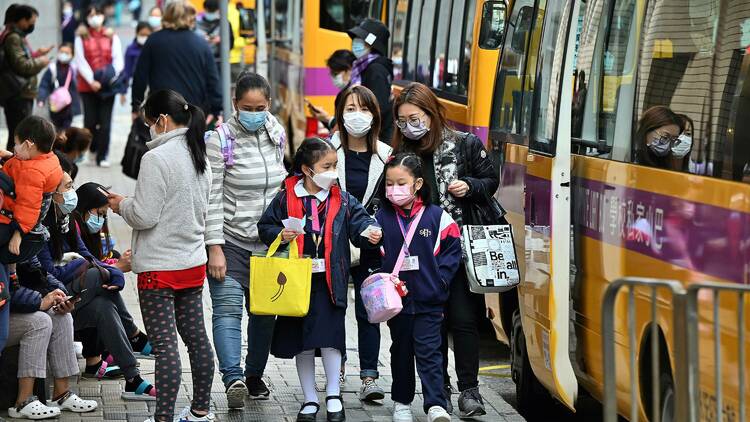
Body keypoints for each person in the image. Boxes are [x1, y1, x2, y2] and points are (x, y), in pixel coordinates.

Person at [108, 89, 215, 422]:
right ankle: (200, 410)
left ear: (163, 121)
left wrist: (120, 204)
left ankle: (164, 417)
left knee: (166, 346)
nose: (148, 129)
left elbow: (144, 215)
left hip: (159, 269)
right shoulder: (199, 151)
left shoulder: (156, 159)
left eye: (149, 122)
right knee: (197, 340)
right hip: (192, 264)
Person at [392, 82, 499, 417]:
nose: (410, 126)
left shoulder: (464, 145)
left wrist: (469, 186)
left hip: (461, 251)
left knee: (465, 321)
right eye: (403, 121)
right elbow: (385, 198)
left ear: (432, 113)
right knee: (431, 325)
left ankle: (470, 391)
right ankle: (439, 390)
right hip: (420, 259)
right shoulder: (400, 158)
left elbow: (490, 180)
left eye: (415, 118)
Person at [257, 137, 382, 422]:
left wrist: (370, 233)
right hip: (295, 281)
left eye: (335, 165)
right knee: (303, 341)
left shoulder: (342, 199)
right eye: (327, 166)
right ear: (307, 169)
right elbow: (265, 226)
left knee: (331, 338)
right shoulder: (287, 197)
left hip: (330, 280)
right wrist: (280, 234)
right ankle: (310, 398)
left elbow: (360, 223)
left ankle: (334, 394)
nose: (333, 172)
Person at [205, 72, 287, 408]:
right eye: (247, 107)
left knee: (265, 313)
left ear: (269, 105)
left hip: (270, 244)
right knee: (227, 312)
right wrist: (214, 248)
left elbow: (283, 186)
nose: (255, 113)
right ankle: (232, 377)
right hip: (231, 242)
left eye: (261, 107)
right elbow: (210, 196)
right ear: (235, 104)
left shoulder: (276, 131)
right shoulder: (220, 139)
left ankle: (253, 376)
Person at [372, 153, 461, 422]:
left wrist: (440, 282)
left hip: (429, 300)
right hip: (396, 303)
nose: (394, 189)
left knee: (431, 352)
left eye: (401, 183)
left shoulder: (438, 217)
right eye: (389, 183)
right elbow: (372, 254)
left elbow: (451, 252)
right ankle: (401, 402)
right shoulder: (380, 217)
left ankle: (435, 404)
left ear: (418, 183)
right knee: (400, 350)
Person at [328, 84, 392, 400]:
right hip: (335, 244)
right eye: (350, 109)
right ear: (340, 114)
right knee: (334, 308)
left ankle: (369, 377)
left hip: (371, 245)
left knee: (370, 311)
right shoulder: (327, 153)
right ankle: (335, 372)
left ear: (375, 115)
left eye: (364, 109)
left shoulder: (387, 155)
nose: (357, 115)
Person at [6, 261, 98, 419]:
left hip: (9, 310)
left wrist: (59, 294)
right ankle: (23, 402)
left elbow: (39, 271)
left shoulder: (22, 242)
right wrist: (39, 301)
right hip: (5, 312)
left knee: (60, 316)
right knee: (39, 322)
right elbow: (6, 289)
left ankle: (61, 395)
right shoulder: (8, 243)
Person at [132, 2, 222, 122]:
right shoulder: (201, 44)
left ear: (166, 16)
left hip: (161, 111)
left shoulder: (153, 41)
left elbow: (140, 77)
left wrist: (136, 107)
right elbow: (212, 79)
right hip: (193, 111)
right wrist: (216, 110)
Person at [0, 116, 63, 265]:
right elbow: (18, 167)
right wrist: (8, 158)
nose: (14, 148)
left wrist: (18, 233)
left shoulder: (32, 173)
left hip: (9, 221)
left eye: (16, 144)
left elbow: (28, 206)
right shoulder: (48, 159)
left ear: (28, 144)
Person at [73, 5, 124, 167]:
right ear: (87, 18)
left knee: (106, 122)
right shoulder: (81, 37)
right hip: (88, 87)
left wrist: (109, 79)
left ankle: (103, 156)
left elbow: (118, 61)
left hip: (108, 86)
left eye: (98, 14)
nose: (95, 18)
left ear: (103, 16)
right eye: (91, 15)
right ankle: (91, 149)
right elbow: (80, 61)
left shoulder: (112, 36)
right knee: (90, 122)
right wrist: (91, 81)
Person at [1, 4, 52, 151]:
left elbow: (16, 61)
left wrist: (36, 55)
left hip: (19, 92)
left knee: (17, 134)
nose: (32, 25)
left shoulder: (14, 36)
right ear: (22, 20)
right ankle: (11, 169)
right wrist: (41, 62)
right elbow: (22, 66)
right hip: (18, 93)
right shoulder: (13, 38)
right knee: (18, 136)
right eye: (32, 21)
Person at [346, 18, 394, 143]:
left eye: (361, 40)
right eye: (356, 39)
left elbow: (378, 108)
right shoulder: (366, 66)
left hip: (375, 139)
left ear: (372, 44)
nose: (356, 43)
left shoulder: (376, 70)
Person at [306, 49, 356, 130]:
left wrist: (328, 119)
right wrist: (324, 119)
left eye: (335, 74)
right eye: (331, 74)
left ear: (349, 70)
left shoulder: (356, 95)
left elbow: (349, 128)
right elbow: (336, 130)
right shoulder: (342, 95)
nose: (333, 78)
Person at [36, 43, 81, 131]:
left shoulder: (75, 69)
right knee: (55, 132)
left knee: (70, 133)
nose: (63, 55)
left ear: (72, 55)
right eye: (61, 52)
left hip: (71, 108)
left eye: (67, 53)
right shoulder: (52, 68)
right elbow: (44, 85)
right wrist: (41, 98)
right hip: (55, 108)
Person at [634, 105, 690, 172]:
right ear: (647, 132)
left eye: (674, 139)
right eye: (665, 137)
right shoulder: (632, 159)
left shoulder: (667, 162)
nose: (668, 145)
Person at [195, 0, 234, 77]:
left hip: (218, 62)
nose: (210, 13)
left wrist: (222, 40)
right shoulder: (196, 23)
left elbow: (231, 43)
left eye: (213, 10)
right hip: (201, 62)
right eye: (209, 10)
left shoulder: (224, 23)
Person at [120, 21, 152, 107]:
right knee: (137, 116)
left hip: (152, 87)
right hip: (137, 87)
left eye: (147, 35)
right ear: (137, 33)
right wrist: (123, 92)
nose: (145, 37)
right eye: (142, 34)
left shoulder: (154, 49)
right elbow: (127, 71)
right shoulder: (131, 49)